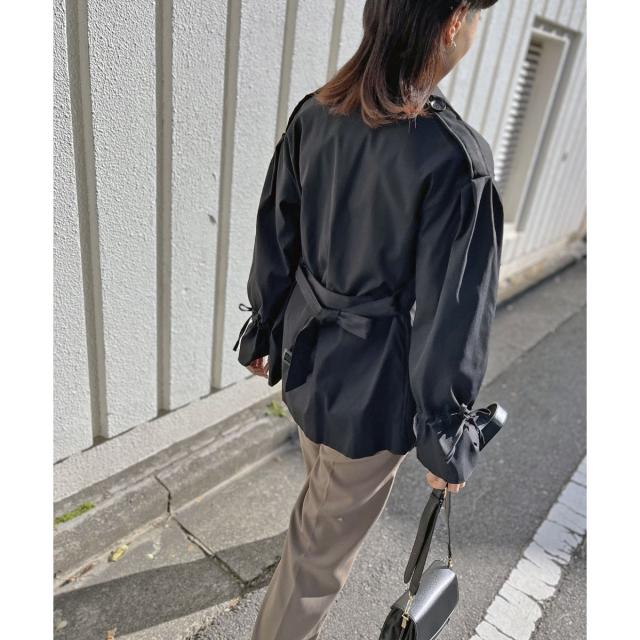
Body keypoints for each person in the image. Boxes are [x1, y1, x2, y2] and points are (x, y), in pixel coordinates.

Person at [232, 1, 503, 638]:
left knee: (323, 489)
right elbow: (451, 315)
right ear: (453, 21)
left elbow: (278, 233)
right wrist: (446, 437)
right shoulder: (453, 158)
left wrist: (265, 326)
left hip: (306, 356)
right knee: (315, 563)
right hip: (371, 389)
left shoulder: (315, 113)